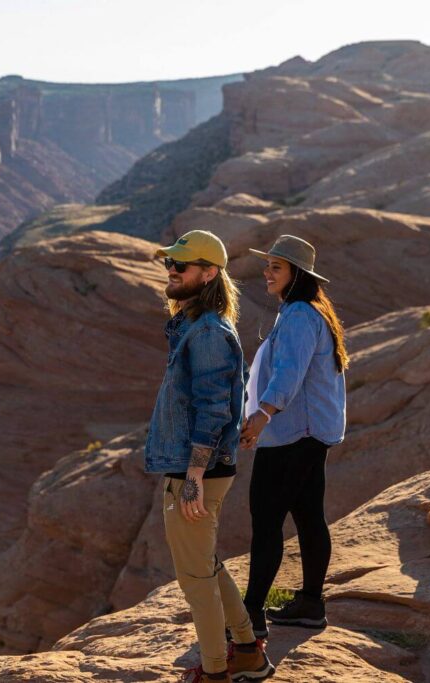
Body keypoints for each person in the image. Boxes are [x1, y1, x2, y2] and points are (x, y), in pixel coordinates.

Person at [144, 230, 276, 683]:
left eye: (181, 265)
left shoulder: (208, 333)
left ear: (209, 273)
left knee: (195, 579)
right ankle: (247, 651)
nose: (172, 271)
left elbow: (215, 406)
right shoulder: (196, 327)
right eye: (169, 264)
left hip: (196, 470)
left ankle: (217, 672)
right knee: (206, 567)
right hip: (194, 466)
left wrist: (195, 474)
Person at [239, 234, 348, 635]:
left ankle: (250, 616)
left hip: (292, 434)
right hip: (309, 433)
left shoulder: (301, 314)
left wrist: (263, 414)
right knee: (307, 516)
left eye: (276, 267)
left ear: (296, 274)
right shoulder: (306, 310)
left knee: (266, 520)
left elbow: (289, 371)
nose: (267, 272)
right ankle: (310, 605)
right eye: (268, 265)